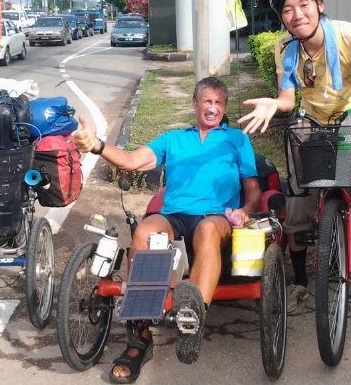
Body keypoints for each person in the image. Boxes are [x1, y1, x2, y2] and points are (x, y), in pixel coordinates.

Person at [74, 76, 261, 383]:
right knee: (144, 232)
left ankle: (192, 318)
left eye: (219, 103)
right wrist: (96, 145)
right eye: (207, 101)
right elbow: (133, 161)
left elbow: (252, 189)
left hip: (215, 217)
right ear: (195, 103)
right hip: (174, 215)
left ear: (224, 107)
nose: (213, 108)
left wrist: (245, 210)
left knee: (207, 231)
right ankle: (141, 337)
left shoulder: (237, 139)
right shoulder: (174, 139)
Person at [238, 0, 351, 317]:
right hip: (310, 121)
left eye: (304, 4)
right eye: (287, 9)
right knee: (298, 202)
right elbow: (288, 99)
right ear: (282, 18)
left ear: (319, 5)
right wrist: (274, 104)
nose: (297, 14)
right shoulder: (286, 47)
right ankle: (299, 282)